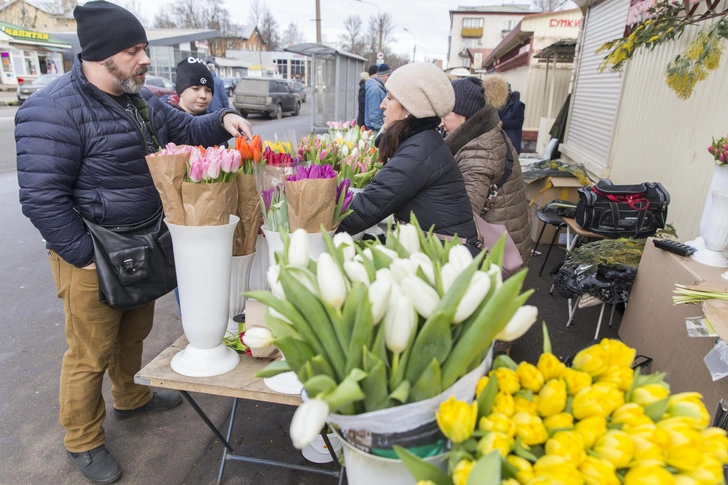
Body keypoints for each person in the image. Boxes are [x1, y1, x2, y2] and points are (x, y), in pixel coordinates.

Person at [14, 2, 252, 484]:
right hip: (91, 253)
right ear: (100, 55)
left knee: (133, 332)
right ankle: (82, 440)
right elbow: (41, 198)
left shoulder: (137, 98)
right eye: (134, 50)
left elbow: (185, 128)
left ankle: (131, 398)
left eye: (144, 48)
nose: (145, 59)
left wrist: (223, 119)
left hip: (142, 244)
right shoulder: (52, 109)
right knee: (89, 353)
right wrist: (84, 258)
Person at [340, 62, 478, 252]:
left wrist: (314, 227)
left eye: (389, 98)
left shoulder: (419, 151)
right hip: (437, 248)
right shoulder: (421, 141)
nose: (382, 105)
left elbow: (368, 207)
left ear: (410, 109)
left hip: (447, 257)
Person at [441, 76, 531, 266]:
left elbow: (463, 214)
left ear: (464, 114)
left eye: (446, 115)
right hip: (508, 242)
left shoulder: (478, 151)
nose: (441, 123)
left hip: (495, 256)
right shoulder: (488, 135)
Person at [499, 82, 525, 154]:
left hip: (512, 141)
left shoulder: (517, 105)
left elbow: (519, 122)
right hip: (499, 142)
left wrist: (503, 123)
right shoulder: (498, 105)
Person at [364, 63, 391, 132]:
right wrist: (382, 130)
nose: (390, 79)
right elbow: (374, 115)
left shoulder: (379, 88)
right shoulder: (375, 90)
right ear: (383, 76)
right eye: (389, 76)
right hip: (375, 130)